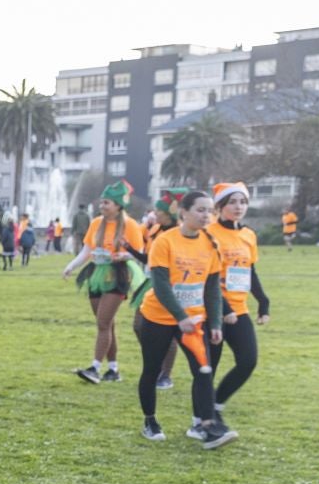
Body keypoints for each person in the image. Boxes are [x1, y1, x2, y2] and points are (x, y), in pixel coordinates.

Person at [133, 189, 235, 448]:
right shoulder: (165, 242)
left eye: (210, 211)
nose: (206, 215)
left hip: (193, 320)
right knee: (152, 370)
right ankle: (150, 420)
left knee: (203, 369)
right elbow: (161, 284)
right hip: (157, 317)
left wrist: (214, 323)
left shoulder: (211, 244)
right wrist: (179, 316)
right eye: (200, 210)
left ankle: (205, 426)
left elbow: (212, 288)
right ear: (183, 213)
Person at [63, 180, 146, 383]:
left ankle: (95, 368)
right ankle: (113, 369)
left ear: (118, 205)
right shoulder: (96, 223)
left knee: (103, 323)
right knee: (107, 325)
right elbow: (87, 250)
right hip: (97, 273)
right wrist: (71, 266)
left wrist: (122, 257)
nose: (102, 206)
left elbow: (139, 253)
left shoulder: (130, 225)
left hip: (117, 275)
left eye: (106, 202)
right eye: (102, 202)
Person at [205, 182, 264, 431]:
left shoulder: (248, 235)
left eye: (243, 202)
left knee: (248, 360)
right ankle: (203, 420)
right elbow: (207, 277)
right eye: (232, 202)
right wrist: (224, 307)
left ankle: (216, 405)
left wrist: (263, 300)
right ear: (219, 207)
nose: (238, 207)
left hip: (240, 310)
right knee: (209, 367)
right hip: (213, 309)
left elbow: (249, 269)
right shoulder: (209, 233)